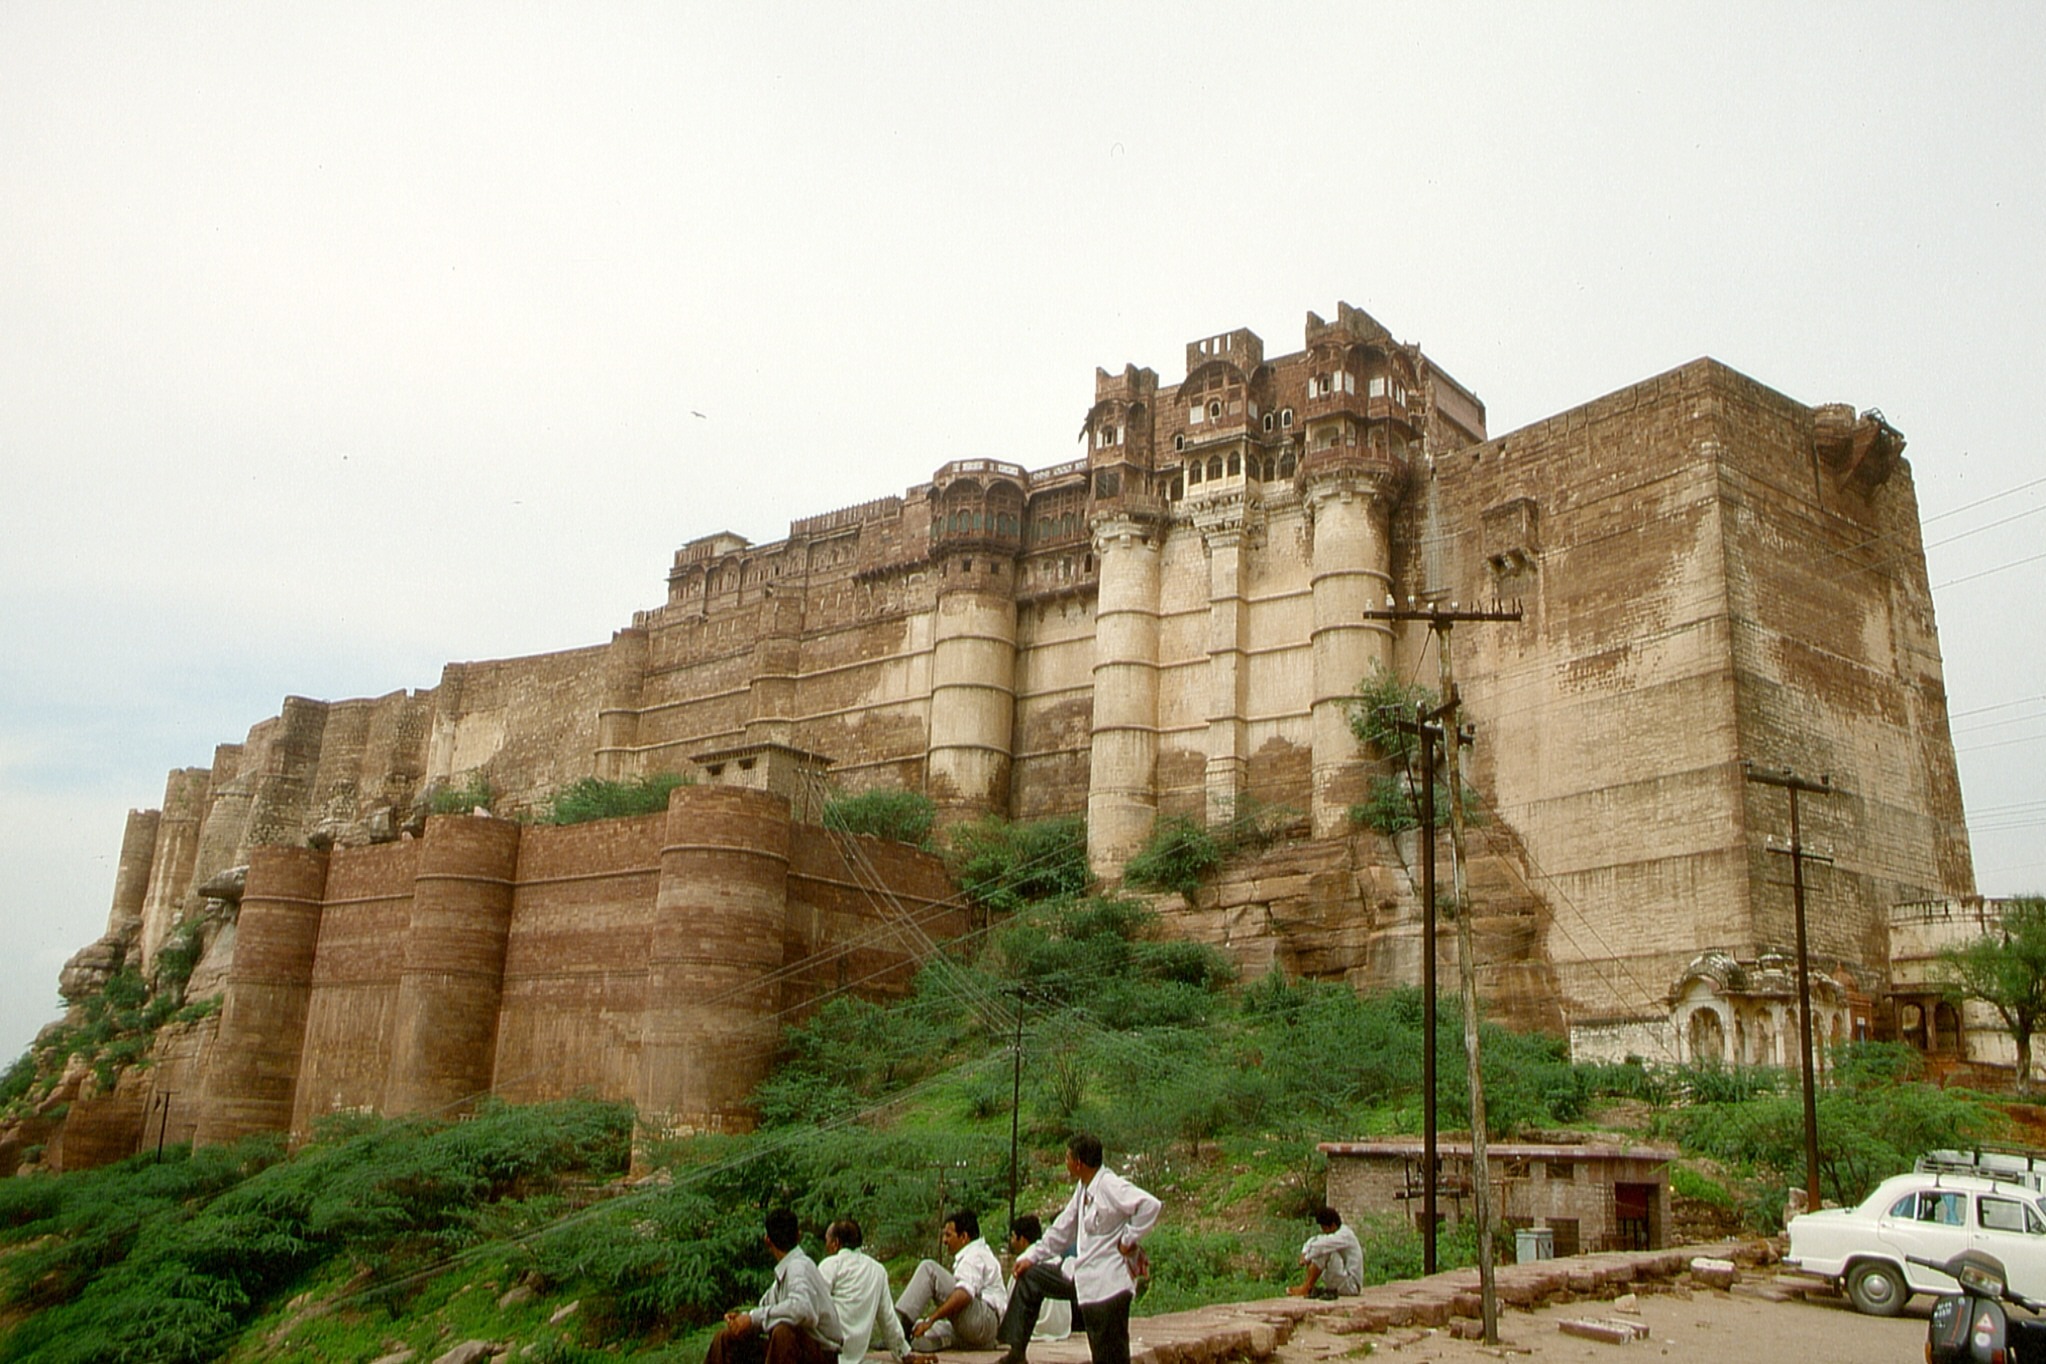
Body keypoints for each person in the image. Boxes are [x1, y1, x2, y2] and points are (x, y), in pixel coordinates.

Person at [997, 1133, 1160, 1364]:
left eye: (1067, 1157)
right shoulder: (1083, 1189)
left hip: (1108, 1285)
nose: (1065, 1162)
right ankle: (1016, 1354)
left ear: (1078, 1163)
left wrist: (1127, 1239)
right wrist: (1032, 1255)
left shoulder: (1109, 1185)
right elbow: (1062, 1228)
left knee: (1109, 1356)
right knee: (1031, 1277)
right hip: (1083, 1275)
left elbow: (1149, 1205)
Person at [706, 1208, 845, 1364]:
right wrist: (744, 1319)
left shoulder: (799, 1267)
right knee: (725, 1339)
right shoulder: (784, 1273)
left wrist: (752, 1318)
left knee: (783, 1333)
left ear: (767, 1240)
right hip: (802, 1352)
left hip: (822, 1355)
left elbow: (803, 1309)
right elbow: (765, 1309)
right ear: (799, 1236)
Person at [894, 1208, 1004, 1352]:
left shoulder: (974, 1255)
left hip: (982, 1321)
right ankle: (932, 1340)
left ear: (964, 1237)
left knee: (929, 1269)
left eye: (948, 1235)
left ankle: (898, 1331)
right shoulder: (979, 1252)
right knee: (923, 1332)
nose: (944, 1241)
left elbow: (964, 1294)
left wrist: (931, 1319)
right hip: (985, 1332)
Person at [819, 1218, 909, 1364]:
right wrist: (904, 1353)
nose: (826, 1246)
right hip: (856, 1357)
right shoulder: (877, 1270)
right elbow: (888, 1320)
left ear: (835, 1243)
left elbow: (814, 1309)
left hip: (829, 1356)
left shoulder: (830, 1266)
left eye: (827, 1241)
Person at [1005, 1213, 1071, 1342]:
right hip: (1062, 1329)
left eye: (1013, 1237)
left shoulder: (1023, 1263)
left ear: (1023, 1240)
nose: (1011, 1241)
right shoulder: (1058, 1262)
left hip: (1036, 1329)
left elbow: (1010, 1305)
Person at [1287, 1206, 1362, 1299]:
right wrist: (1304, 1252)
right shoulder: (1336, 1234)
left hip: (1351, 1285)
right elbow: (1314, 1240)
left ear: (1333, 1225)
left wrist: (1307, 1258)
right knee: (1320, 1248)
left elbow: (1321, 1245)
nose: (1323, 1231)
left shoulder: (1345, 1235)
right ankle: (1308, 1286)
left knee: (1325, 1251)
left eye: (1324, 1228)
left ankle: (1307, 1287)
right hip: (1343, 1280)